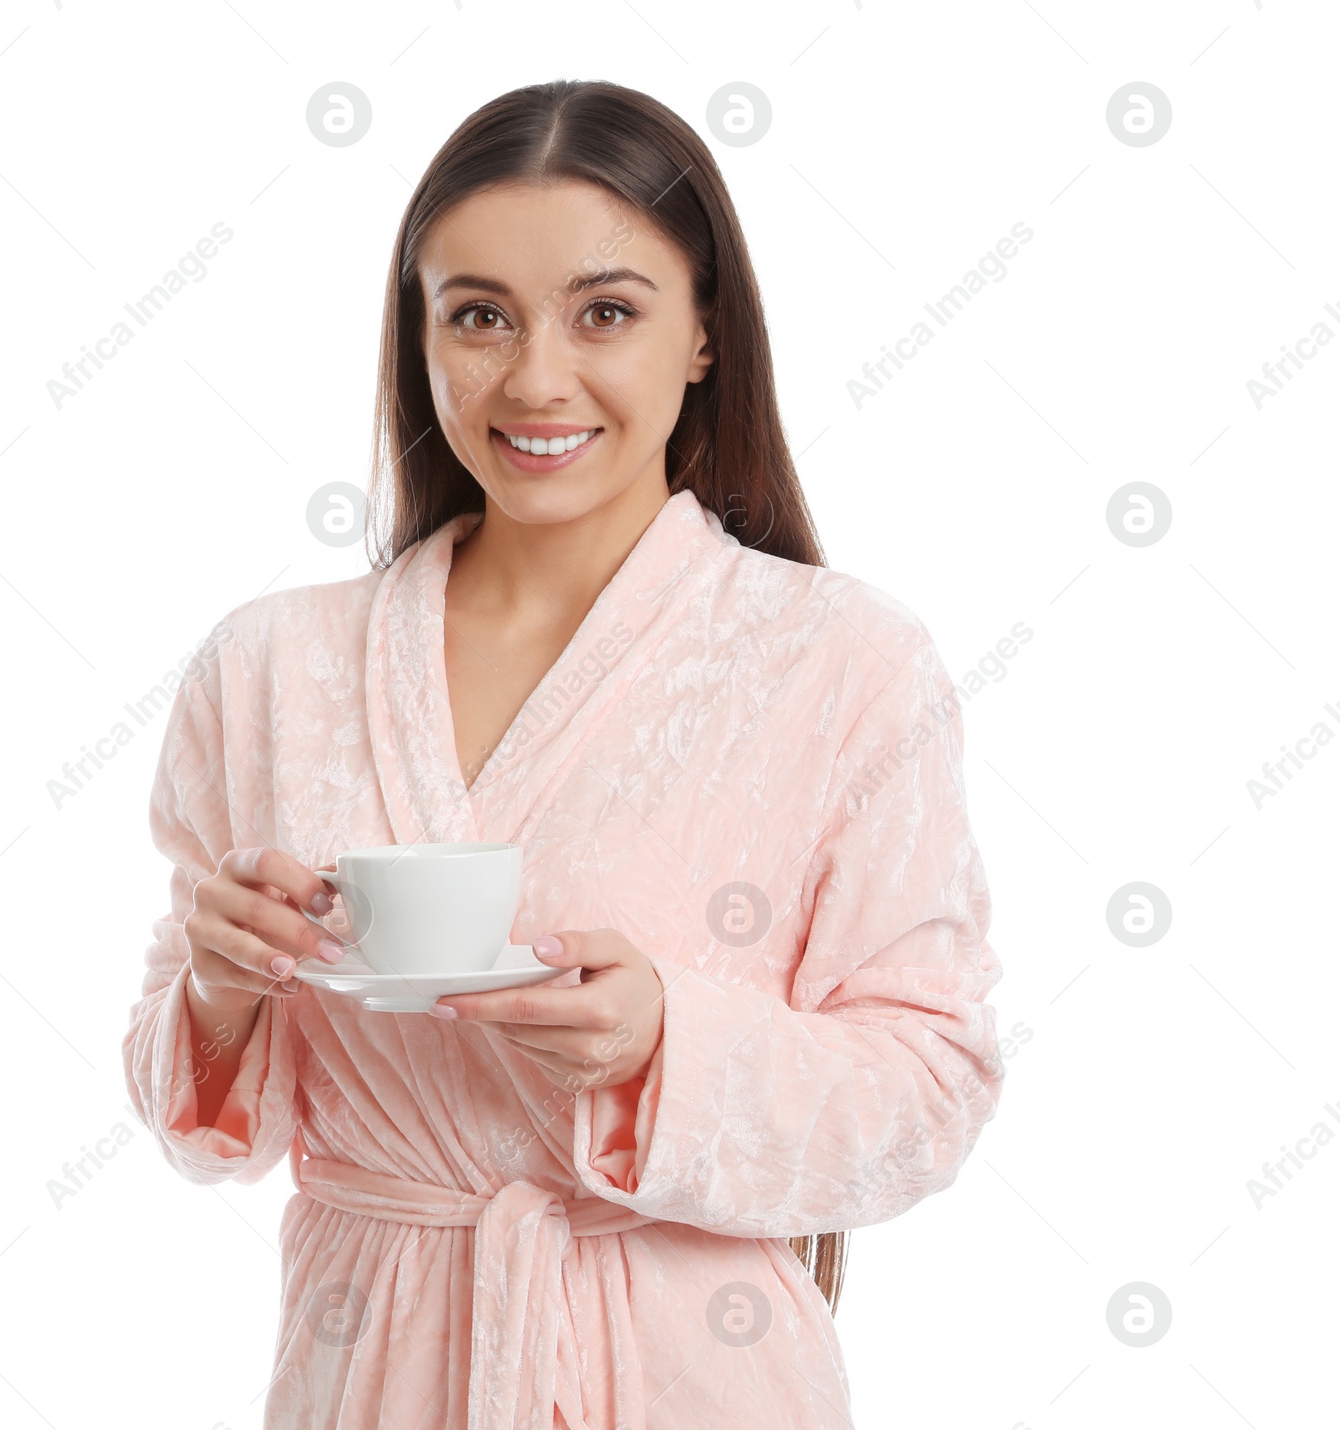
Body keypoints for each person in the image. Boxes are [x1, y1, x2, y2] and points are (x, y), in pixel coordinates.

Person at [123, 78, 1006, 1430]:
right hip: (367, 1367)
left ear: (706, 332)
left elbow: (931, 1088)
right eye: (477, 314)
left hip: (693, 1375)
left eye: (606, 311)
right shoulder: (267, 668)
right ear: (417, 337)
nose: (535, 377)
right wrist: (219, 987)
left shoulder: (843, 662)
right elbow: (185, 1100)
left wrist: (669, 1044)